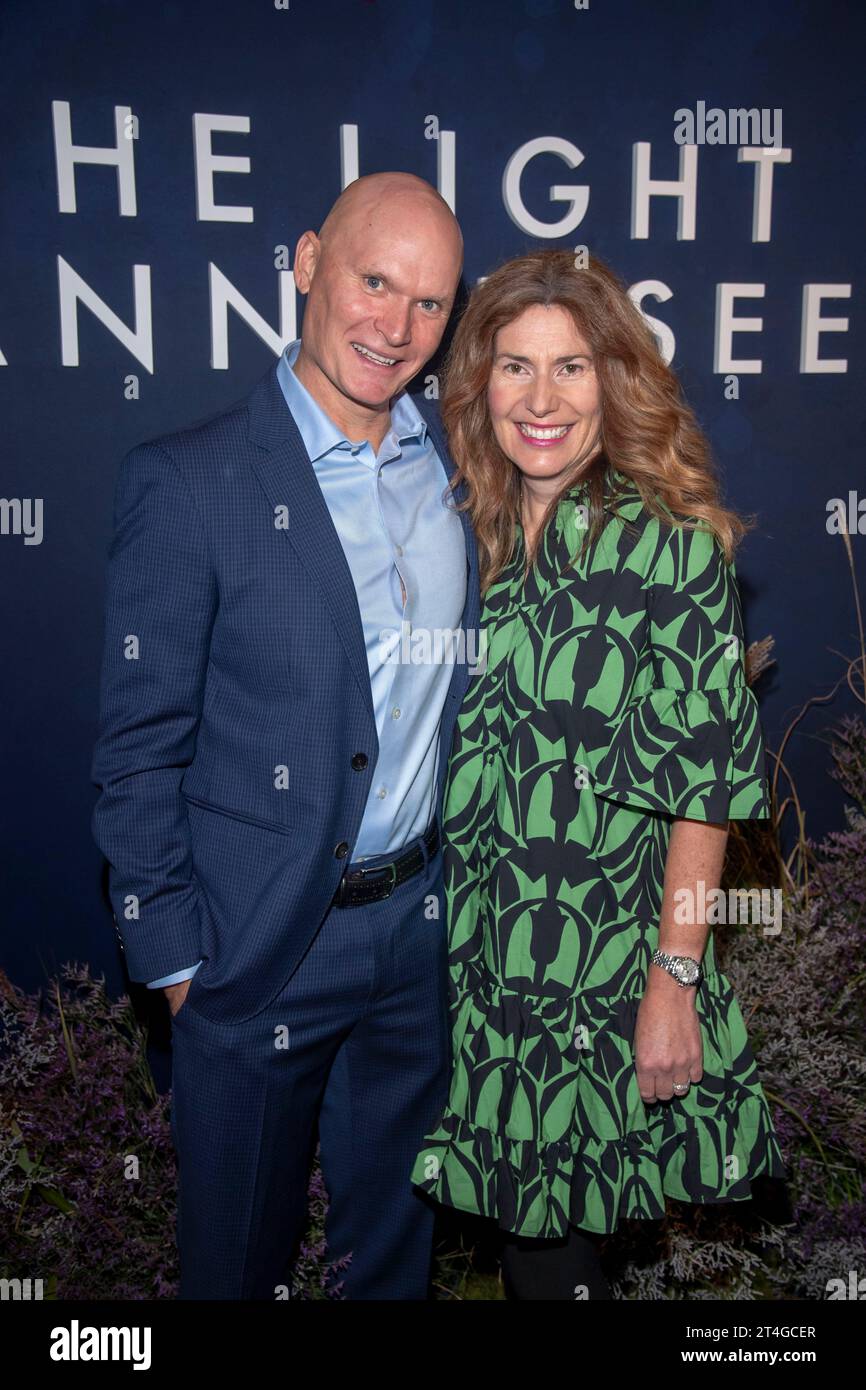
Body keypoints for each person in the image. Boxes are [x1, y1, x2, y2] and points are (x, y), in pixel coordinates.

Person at [91, 171, 480, 1299]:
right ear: (306, 261)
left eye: (427, 304)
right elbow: (136, 747)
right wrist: (176, 969)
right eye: (372, 281)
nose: (394, 327)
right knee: (235, 1271)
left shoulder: (468, 469)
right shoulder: (189, 481)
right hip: (256, 954)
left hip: (416, 940)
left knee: (389, 1264)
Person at [410, 248, 789, 1300]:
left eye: (570, 367)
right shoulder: (474, 535)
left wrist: (672, 980)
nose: (540, 398)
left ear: (613, 379)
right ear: (478, 381)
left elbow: (705, 788)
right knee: (537, 1249)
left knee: (556, 1259)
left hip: (604, 968)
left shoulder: (668, 547)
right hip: (490, 968)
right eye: (515, 366)